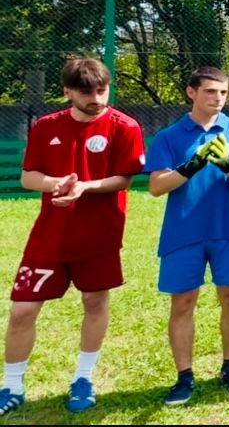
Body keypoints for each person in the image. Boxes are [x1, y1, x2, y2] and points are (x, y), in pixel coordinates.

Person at [1, 58, 145, 416]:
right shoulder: (46, 126)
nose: (96, 99)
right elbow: (28, 177)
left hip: (99, 236)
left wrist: (84, 187)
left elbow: (125, 179)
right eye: (86, 93)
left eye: (101, 91)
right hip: (49, 237)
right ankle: (12, 385)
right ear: (67, 92)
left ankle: (83, 378)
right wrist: (56, 183)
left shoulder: (125, 127)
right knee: (22, 310)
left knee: (94, 302)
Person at [145, 67, 229, 405]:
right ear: (191, 92)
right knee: (182, 302)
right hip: (183, 231)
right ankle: (184, 376)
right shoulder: (169, 136)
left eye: (223, 92)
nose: (218, 98)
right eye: (210, 91)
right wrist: (189, 167)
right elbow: (155, 186)